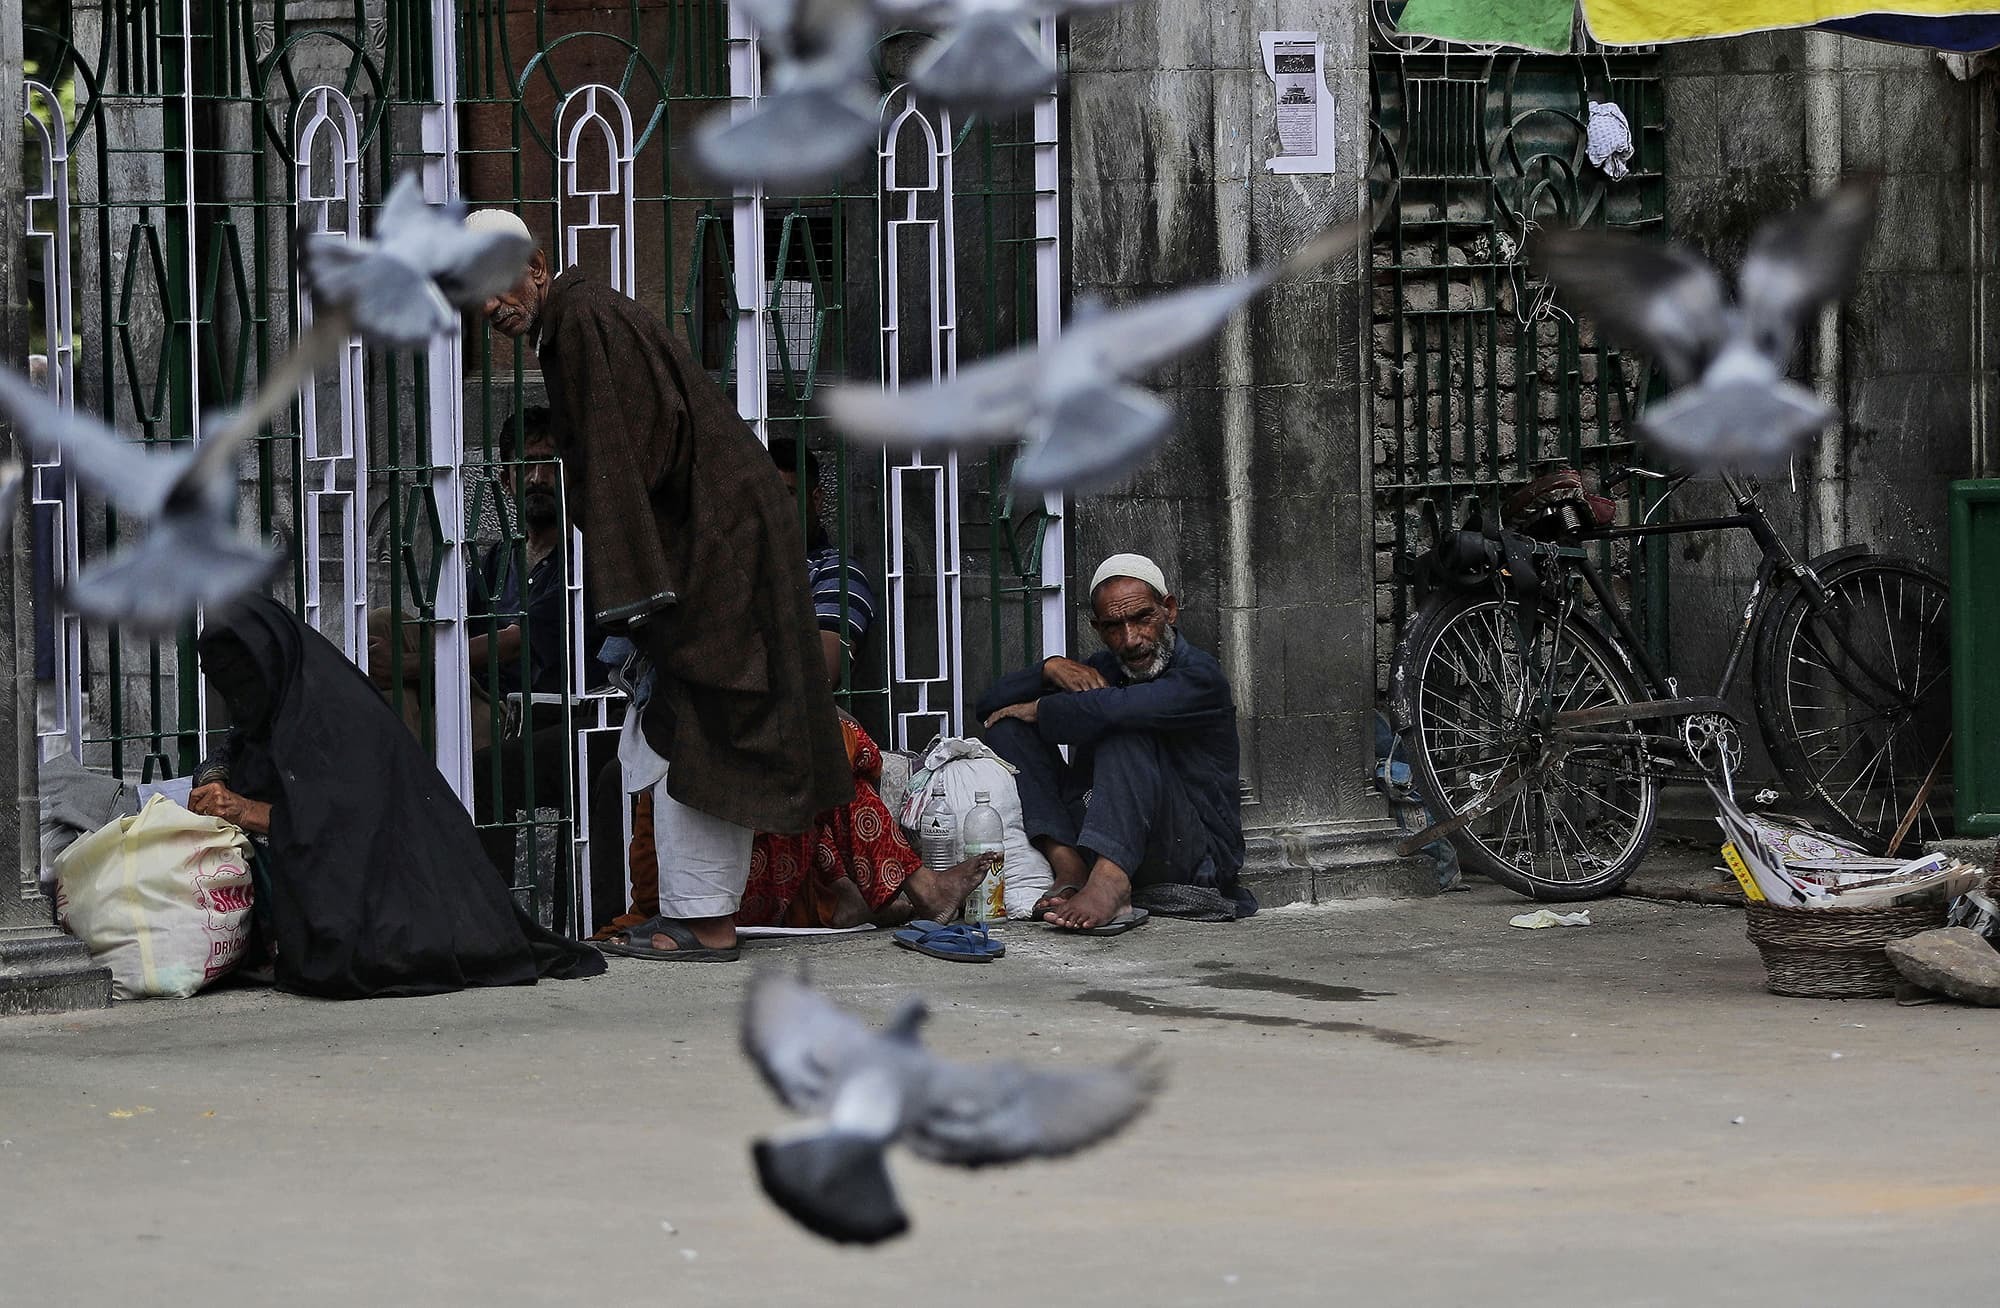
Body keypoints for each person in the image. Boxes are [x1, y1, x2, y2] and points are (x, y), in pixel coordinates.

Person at [475, 209, 851, 961]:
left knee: (706, 719)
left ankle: (704, 925)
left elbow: (622, 459)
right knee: (679, 722)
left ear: (537, 264)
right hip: (714, 538)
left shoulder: (582, 319)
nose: (490, 306)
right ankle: (688, 914)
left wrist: (638, 591)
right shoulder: (577, 319)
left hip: (713, 546)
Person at [189, 596, 605, 999]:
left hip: (387, 898)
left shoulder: (337, 717)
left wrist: (244, 809)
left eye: (241, 680)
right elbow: (235, 746)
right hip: (322, 894)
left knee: (362, 962)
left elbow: (341, 824)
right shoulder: (277, 710)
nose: (237, 697)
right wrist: (214, 780)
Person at [976, 553, 1255, 931]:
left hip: (1191, 850)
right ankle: (1069, 864)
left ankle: (1112, 880)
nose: (1131, 639)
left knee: (1125, 723)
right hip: (1103, 822)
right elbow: (989, 707)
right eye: (1113, 626)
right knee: (1008, 728)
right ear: (1098, 628)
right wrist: (1049, 668)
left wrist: (1043, 707)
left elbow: (1120, 710)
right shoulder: (1107, 668)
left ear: (1169, 610)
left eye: (1143, 618)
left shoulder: (1201, 676)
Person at [768, 436, 876, 686]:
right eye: (764, 495)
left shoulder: (837, 573)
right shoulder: (731, 565)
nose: (773, 507)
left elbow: (816, 678)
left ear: (815, 499)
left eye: (787, 494)